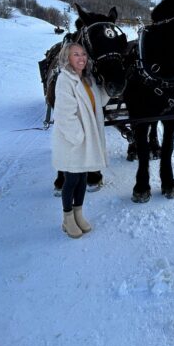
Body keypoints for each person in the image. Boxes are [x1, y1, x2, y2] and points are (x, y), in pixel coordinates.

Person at [51, 41, 109, 238]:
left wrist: (109, 87)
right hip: (73, 140)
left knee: (83, 177)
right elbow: (64, 115)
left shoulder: (88, 79)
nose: (81, 58)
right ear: (67, 58)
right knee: (72, 179)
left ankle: (79, 213)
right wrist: (78, 137)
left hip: (87, 138)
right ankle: (67, 219)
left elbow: (99, 101)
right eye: (76, 54)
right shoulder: (64, 80)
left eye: (83, 54)